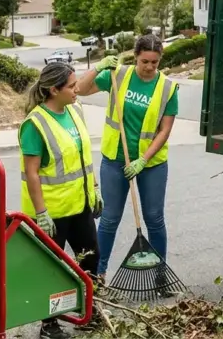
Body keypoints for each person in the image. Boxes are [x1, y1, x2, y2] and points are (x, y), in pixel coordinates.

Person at [76, 34, 180, 282]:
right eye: (145, 61)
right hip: (115, 159)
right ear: (135, 57)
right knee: (109, 219)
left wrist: (143, 159)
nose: (149, 67)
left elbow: (164, 130)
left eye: (155, 62)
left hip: (151, 165)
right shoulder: (118, 75)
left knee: (154, 219)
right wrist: (99, 67)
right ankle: (97, 273)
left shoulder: (167, 87)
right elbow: (80, 89)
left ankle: (160, 273)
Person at [19, 62, 101, 339]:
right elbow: (32, 173)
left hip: (80, 204)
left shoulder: (75, 111)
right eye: (72, 86)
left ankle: (89, 310)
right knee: (52, 270)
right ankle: (49, 324)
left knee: (90, 258)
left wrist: (95, 189)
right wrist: (41, 212)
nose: (78, 89)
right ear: (53, 90)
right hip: (52, 212)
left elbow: (83, 157)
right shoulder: (35, 124)